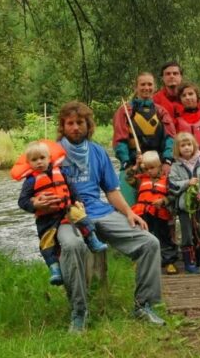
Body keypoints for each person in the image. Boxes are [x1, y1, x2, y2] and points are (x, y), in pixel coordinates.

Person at [35, 101, 164, 333]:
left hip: (99, 211)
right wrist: (36, 202)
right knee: (73, 245)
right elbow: (32, 190)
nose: (75, 127)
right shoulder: (50, 154)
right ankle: (79, 312)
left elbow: (111, 190)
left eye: (80, 123)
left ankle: (144, 306)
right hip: (66, 216)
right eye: (70, 123)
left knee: (149, 242)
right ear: (63, 126)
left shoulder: (97, 152)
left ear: (88, 125)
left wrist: (129, 212)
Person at [17, 141, 108, 286]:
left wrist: (77, 200)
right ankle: (55, 270)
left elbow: (72, 189)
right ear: (29, 163)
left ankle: (92, 240)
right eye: (34, 160)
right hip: (46, 218)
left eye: (42, 158)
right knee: (46, 242)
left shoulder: (61, 173)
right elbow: (22, 201)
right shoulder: (30, 181)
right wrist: (35, 204)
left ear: (49, 158)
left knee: (81, 216)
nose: (39, 162)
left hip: (66, 210)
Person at [113, 72, 177, 204]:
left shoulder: (161, 112)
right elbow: (120, 140)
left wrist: (167, 161)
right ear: (136, 87)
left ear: (154, 87)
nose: (146, 88)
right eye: (142, 84)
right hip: (133, 165)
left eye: (149, 84)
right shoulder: (125, 111)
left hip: (156, 167)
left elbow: (170, 138)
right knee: (130, 209)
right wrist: (126, 163)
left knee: (161, 208)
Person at [168, 132, 200, 274]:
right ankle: (190, 262)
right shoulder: (175, 167)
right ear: (178, 149)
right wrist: (186, 183)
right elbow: (172, 185)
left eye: (189, 145)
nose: (186, 148)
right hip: (184, 208)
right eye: (183, 146)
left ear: (194, 146)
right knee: (187, 234)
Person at [126, 151, 178, 274]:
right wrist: (136, 165)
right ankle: (139, 261)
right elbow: (128, 177)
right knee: (141, 237)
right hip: (143, 214)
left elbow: (172, 196)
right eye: (147, 168)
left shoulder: (167, 180)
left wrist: (163, 201)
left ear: (159, 166)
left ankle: (169, 262)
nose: (149, 171)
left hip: (160, 214)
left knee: (164, 238)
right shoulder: (140, 180)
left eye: (152, 168)